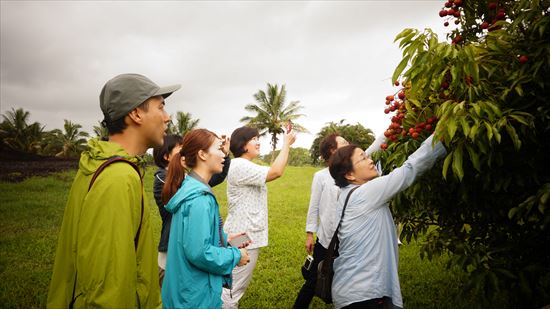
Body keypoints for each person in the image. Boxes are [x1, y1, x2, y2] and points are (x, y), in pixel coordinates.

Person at [47, 73, 180, 308]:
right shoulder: (118, 177)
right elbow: (107, 284)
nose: (167, 118)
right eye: (161, 107)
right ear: (136, 114)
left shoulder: (105, 164)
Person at [328, 134, 446, 309]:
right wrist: (441, 137)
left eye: (367, 156)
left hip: (348, 290)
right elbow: (409, 169)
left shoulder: (346, 194)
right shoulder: (366, 193)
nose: (370, 161)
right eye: (363, 158)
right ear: (350, 175)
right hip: (363, 294)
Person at [160, 129, 250, 309]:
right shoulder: (200, 199)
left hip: (183, 289)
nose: (224, 155)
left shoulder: (189, 188)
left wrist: (224, 239)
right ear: (202, 154)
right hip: (194, 296)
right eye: (219, 149)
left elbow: (192, 238)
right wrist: (236, 255)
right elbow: (200, 252)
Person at [221, 126, 297, 308]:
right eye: (253, 138)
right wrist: (286, 144)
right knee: (233, 288)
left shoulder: (241, 164)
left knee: (231, 281)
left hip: (242, 232)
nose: (258, 142)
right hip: (243, 237)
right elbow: (276, 171)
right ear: (242, 144)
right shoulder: (240, 164)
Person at [152, 134, 231, 287]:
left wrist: (223, 156)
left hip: (187, 243)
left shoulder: (190, 181)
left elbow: (217, 177)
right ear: (167, 156)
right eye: (181, 149)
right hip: (171, 249)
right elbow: (200, 252)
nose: (185, 152)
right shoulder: (165, 179)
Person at [293, 133, 349, 308]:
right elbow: (314, 206)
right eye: (344, 142)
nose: (349, 144)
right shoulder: (321, 176)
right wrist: (310, 234)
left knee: (347, 280)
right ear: (333, 150)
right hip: (326, 239)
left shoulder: (352, 172)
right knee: (313, 279)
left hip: (350, 239)